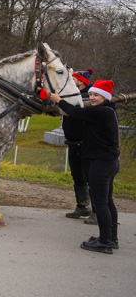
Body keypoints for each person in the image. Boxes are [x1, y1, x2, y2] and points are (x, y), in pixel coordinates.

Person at [50, 79, 120, 254]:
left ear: (105, 96)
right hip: (109, 161)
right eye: (91, 94)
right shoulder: (107, 111)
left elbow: (74, 112)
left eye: (96, 95)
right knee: (108, 201)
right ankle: (111, 238)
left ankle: (105, 242)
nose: (92, 97)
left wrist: (58, 100)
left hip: (101, 163)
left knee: (101, 203)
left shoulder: (101, 112)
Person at [64, 68, 93, 220]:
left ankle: (96, 210)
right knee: (77, 176)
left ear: (81, 81)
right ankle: (82, 206)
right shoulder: (72, 94)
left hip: (86, 144)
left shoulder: (90, 96)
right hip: (73, 142)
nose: (70, 81)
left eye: (73, 79)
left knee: (90, 176)